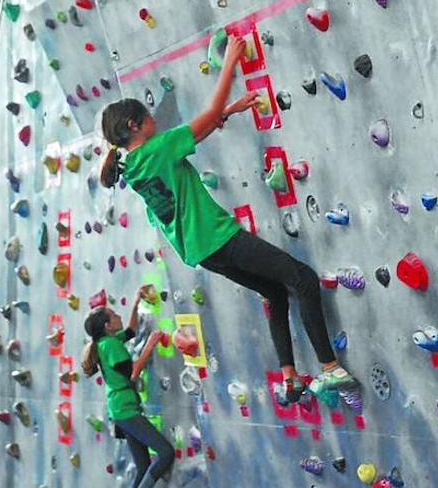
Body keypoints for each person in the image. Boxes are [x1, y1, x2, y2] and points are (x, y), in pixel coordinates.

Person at [98, 35, 357, 404]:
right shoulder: (156, 148)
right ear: (134, 124)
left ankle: (290, 378)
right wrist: (231, 62)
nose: (155, 119)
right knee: (301, 278)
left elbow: (201, 130)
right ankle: (329, 368)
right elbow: (205, 114)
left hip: (202, 250)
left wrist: (230, 112)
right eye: (149, 116)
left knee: (274, 291)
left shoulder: (134, 164)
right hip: (217, 237)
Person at [81, 286, 174, 488]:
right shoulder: (110, 346)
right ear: (107, 325)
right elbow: (132, 373)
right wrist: (150, 344)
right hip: (125, 410)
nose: (118, 317)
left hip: (119, 408)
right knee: (166, 453)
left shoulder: (107, 341)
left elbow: (131, 331)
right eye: (114, 316)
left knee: (143, 465)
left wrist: (135, 303)